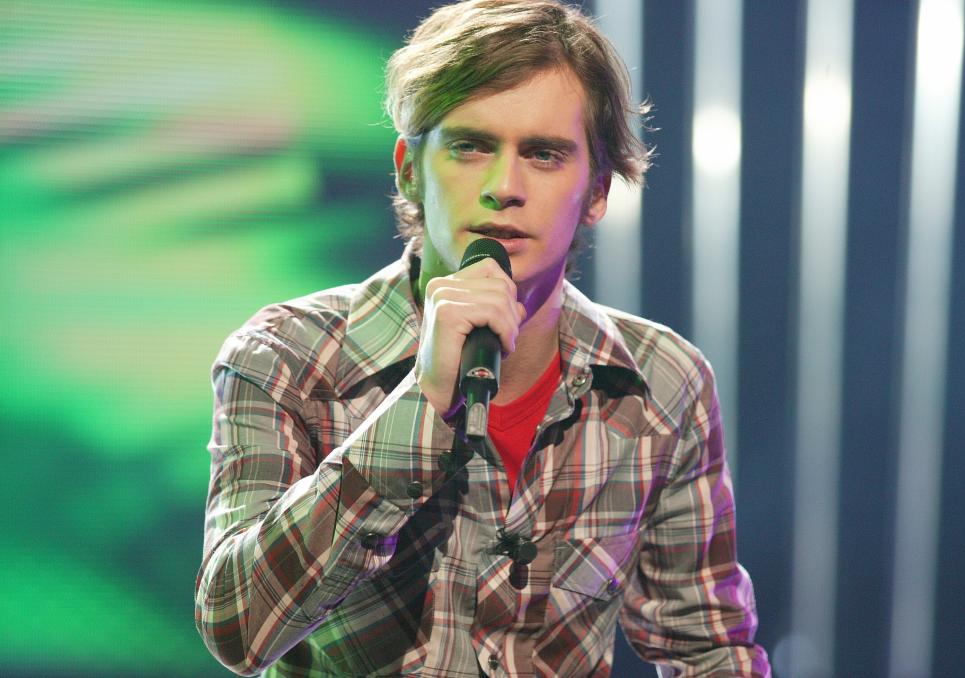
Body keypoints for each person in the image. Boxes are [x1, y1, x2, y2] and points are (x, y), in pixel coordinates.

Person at [195, 1, 770, 676]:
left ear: (597, 191)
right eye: (471, 147)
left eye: (544, 154)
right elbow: (238, 629)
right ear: (409, 169)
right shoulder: (285, 356)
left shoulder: (661, 380)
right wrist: (423, 400)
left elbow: (706, 648)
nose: (504, 188)